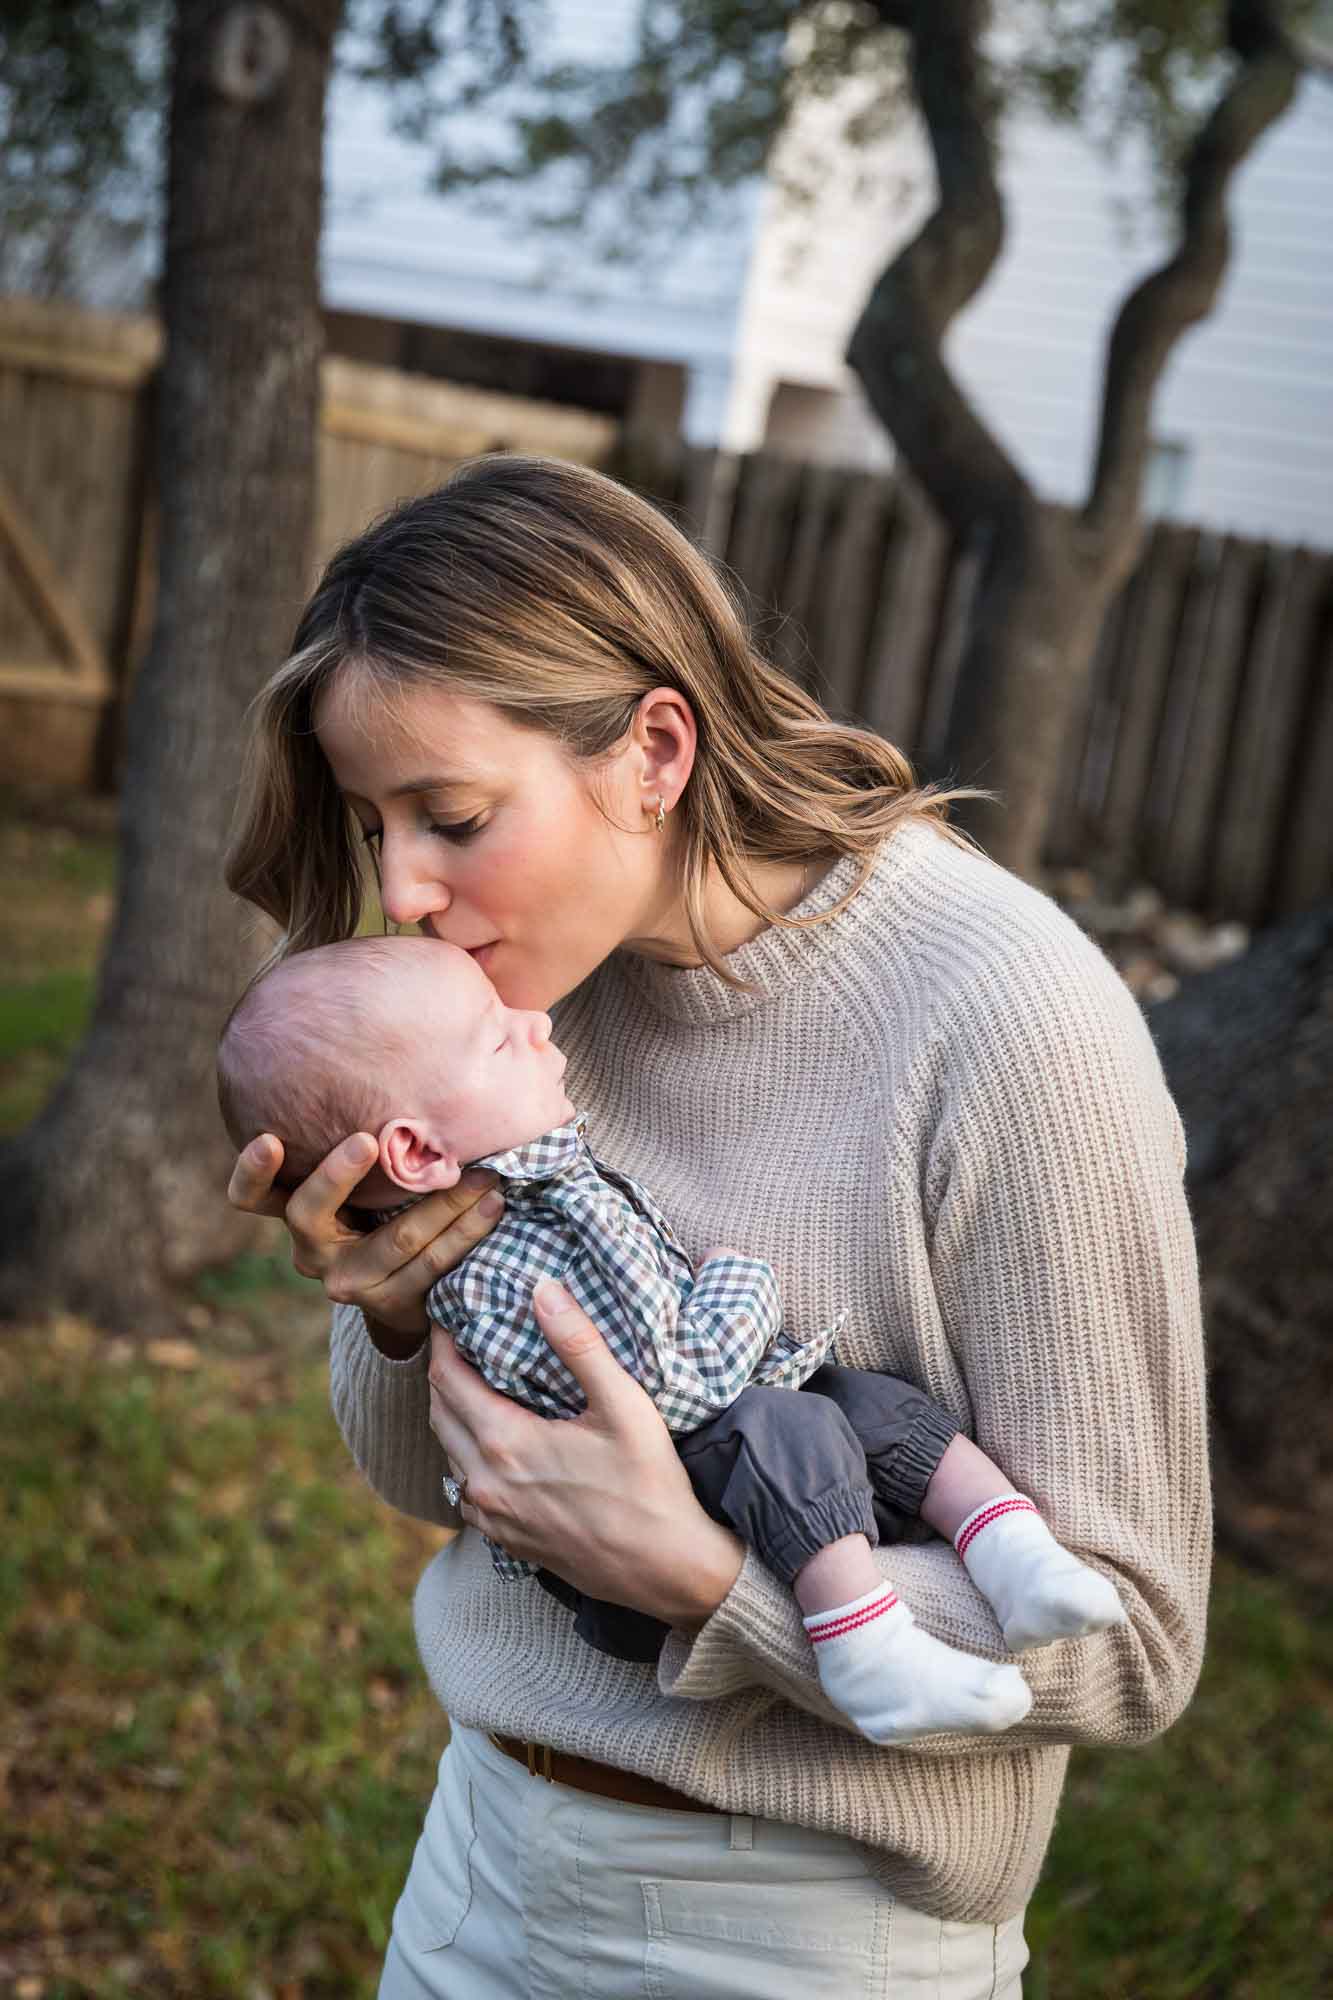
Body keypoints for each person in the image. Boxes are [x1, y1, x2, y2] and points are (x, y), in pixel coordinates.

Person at [224, 455, 1210, 1998]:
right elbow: (435, 1489)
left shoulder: (1010, 1023)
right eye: (373, 826)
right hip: (483, 1874)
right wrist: (397, 1307)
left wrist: (707, 1583)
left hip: (806, 1934)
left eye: (452, 817)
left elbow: (1132, 1642)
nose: (403, 891)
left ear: (655, 752)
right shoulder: (502, 1013)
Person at [217, 932, 1126, 1741]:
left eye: (457, 819)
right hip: (685, 1442)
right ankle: (865, 1645)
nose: (535, 1023)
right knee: (793, 1426)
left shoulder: (533, 1173)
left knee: (878, 1408)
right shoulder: (501, 1244)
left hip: (710, 1446)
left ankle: (1012, 1554)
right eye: (498, 1037)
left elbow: (1135, 1665)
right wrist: (741, 1281)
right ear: (417, 1155)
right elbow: (670, 1388)